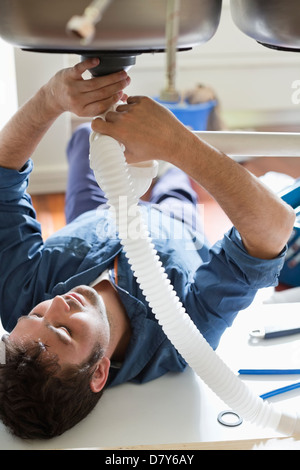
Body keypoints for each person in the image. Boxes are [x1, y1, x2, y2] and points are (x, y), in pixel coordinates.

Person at [0, 58, 295, 440]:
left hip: (96, 212)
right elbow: (274, 226)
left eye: (37, 315)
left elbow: (3, 177)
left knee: (82, 142)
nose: (56, 303)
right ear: (100, 371)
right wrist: (177, 142)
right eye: (65, 330)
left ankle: (135, 127)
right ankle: (190, 120)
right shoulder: (184, 336)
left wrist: (50, 99)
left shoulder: (17, 297)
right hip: (173, 226)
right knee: (175, 183)